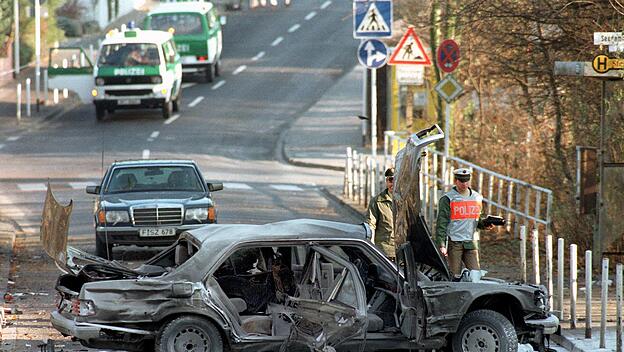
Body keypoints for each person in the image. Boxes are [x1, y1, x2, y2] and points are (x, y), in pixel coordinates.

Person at [435, 168, 493, 279]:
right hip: (454, 242)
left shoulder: (477, 197)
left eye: (467, 181)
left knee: (475, 276)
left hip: (471, 242)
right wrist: (441, 244)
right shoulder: (448, 198)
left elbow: (477, 219)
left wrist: (485, 224)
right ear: (456, 181)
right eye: (462, 181)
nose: (464, 184)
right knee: (454, 276)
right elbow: (441, 223)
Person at [365, 168, 395, 259]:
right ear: (386, 181)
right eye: (390, 180)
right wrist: (372, 247)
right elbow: (370, 225)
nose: (393, 184)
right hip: (384, 252)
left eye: (396, 180)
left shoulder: (406, 201)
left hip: (403, 253)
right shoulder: (377, 201)